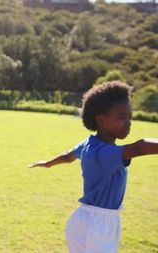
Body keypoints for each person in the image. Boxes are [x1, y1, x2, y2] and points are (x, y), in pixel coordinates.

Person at [30, 81, 158, 253]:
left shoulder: (90, 144)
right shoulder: (103, 154)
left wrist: (48, 163)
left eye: (129, 117)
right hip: (97, 225)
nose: (128, 122)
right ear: (101, 120)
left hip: (92, 221)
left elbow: (68, 156)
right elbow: (139, 147)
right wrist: (48, 163)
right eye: (121, 117)